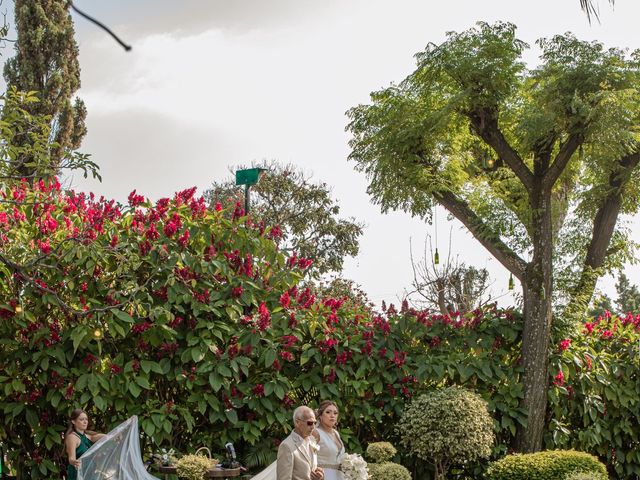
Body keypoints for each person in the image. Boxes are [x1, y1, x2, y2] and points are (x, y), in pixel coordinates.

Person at [276, 405, 324, 480]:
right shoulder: (286, 446)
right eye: (310, 423)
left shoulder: (312, 440)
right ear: (297, 422)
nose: (313, 427)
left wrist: (319, 476)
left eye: (315, 423)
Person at [64, 409, 104, 480]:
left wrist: (114, 435)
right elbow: (71, 458)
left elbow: (96, 436)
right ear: (73, 421)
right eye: (81, 419)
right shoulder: (72, 437)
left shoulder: (87, 436)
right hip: (78, 474)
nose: (85, 422)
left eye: (86, 419)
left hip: (89, 473)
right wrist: (74, 462)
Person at [313, 401, 345, 480]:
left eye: (335, 413)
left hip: (337, 476)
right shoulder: (315, 433)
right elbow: (307, 457)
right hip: (321, 476)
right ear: (320, 416)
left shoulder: (336, 433)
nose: (332, 416)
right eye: (328, 412)